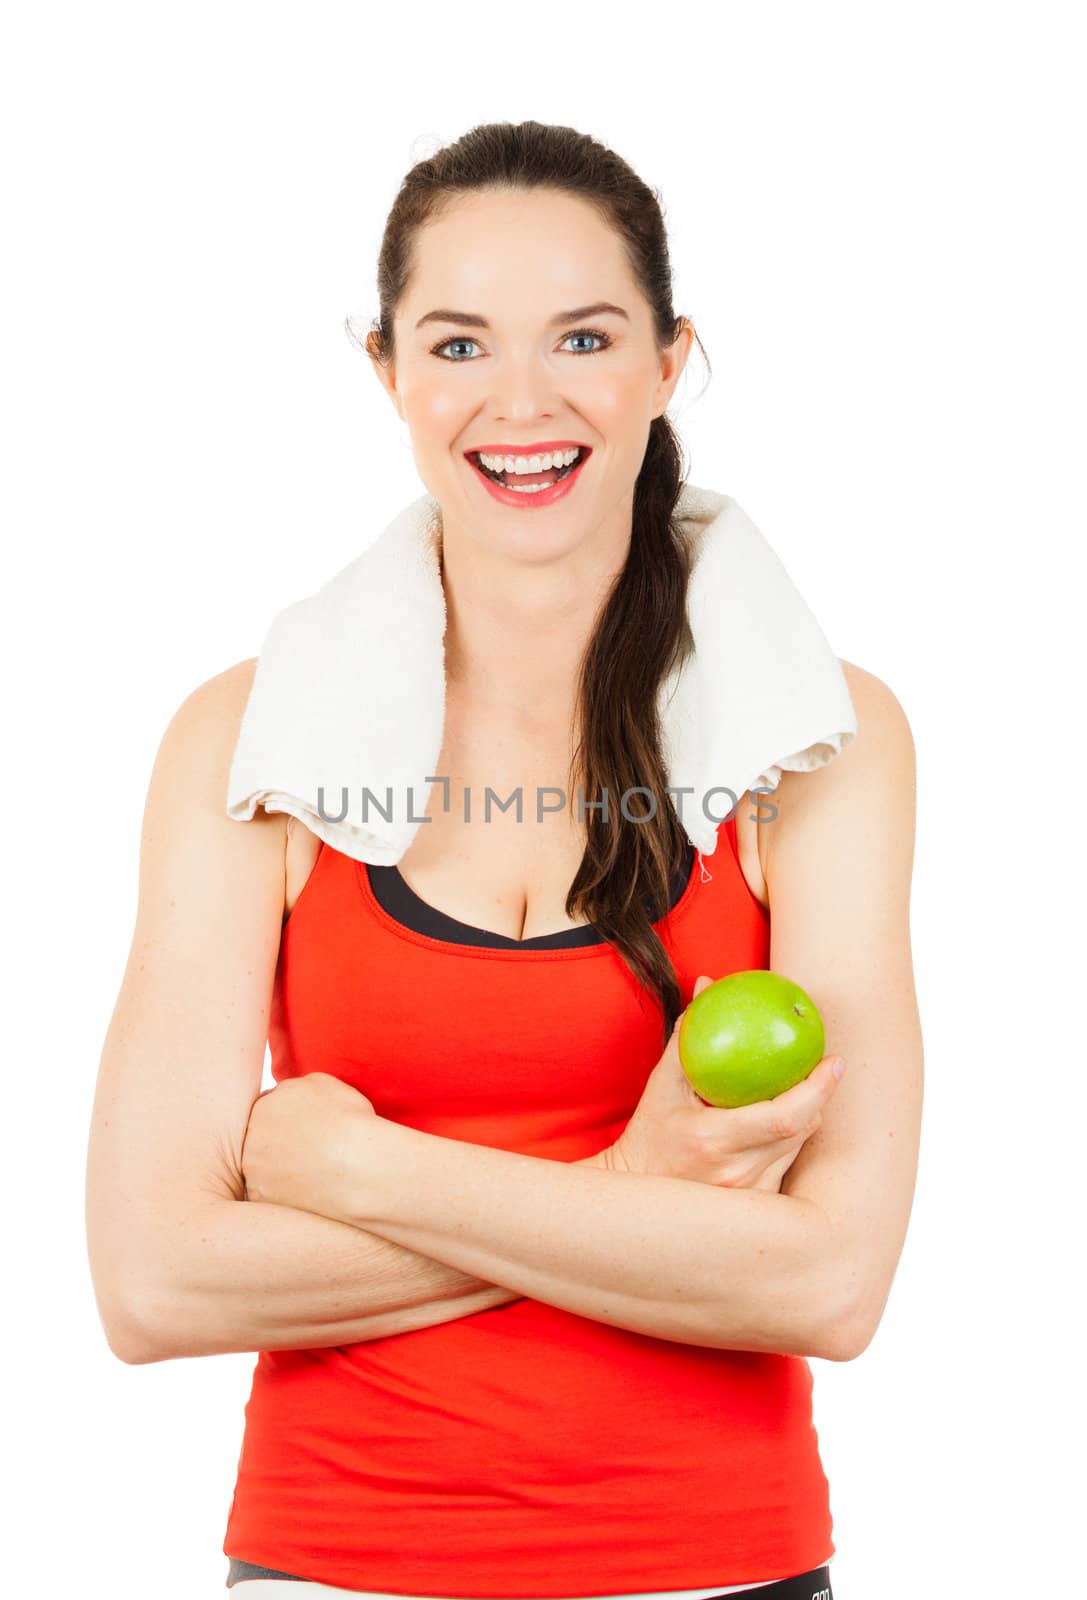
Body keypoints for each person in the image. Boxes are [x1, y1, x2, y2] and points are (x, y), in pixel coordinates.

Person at [85, 120, 922, 1600]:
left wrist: (353, 1170)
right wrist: (641, 1184)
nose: (520, 401)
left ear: (670, 363)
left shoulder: (820, 743)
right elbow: (156, 1281)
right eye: (459, 344)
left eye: (584, 337)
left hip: (715, 1567)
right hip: (333, 1563)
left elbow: (830, 1281)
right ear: (389, 373)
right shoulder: (248, 745)